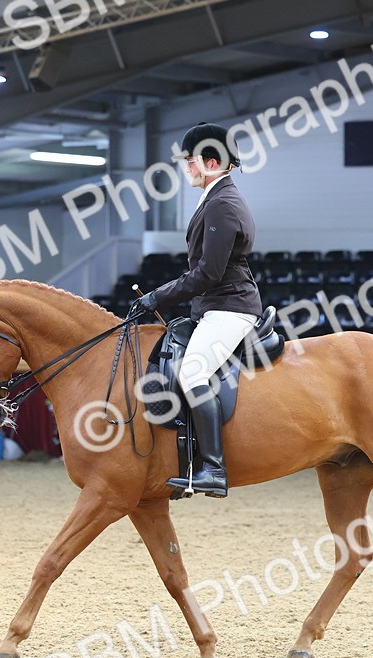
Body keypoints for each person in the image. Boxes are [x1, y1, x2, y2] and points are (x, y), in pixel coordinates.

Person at [134, 122, 263, 499]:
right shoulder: (215, 198)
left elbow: (207, 273)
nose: (186, 167)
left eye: (189, 161)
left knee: (193, 372)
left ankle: (213, 469)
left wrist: (158, 296)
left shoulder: (223, 204)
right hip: (214, 306)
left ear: (209, 161)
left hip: (230, 307)